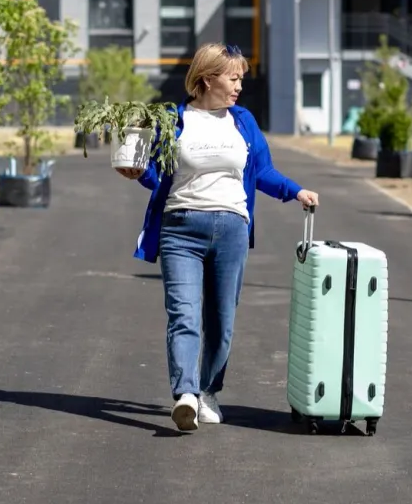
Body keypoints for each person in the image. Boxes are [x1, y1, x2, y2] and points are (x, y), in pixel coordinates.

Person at [118, 43, 319, 432]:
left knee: (222, 321)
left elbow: (263, 171)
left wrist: (296, 191)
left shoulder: (242, 122)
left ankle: (209, 390)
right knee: (184, 315)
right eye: (233, 78)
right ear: (207, 79)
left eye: (241, 78)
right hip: (181, 229)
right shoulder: (173, 120)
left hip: (232, 231)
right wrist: (135, 171)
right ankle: (186, 395)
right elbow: (151, 172)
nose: (239, 85)